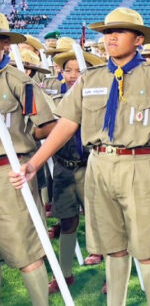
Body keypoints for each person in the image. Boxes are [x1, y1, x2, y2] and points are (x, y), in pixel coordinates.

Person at [10, 7, 150, 306]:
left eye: (119, 31)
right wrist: (35, 163)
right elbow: (67, 123)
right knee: (113, 247)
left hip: (141, 164)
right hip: (100, 164)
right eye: (108, 32)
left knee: (147, 248)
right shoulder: (90, 78)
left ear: (138, 40)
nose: (111, 37)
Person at [0, 13, 57, 306]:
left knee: (25, 246)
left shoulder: (18, 81)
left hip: (9, 172)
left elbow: (47, 123)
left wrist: (22, 140)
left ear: (5, 44)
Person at [47, 49, 106, 293]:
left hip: (90, 165)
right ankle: (64, 274)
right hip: (63, 168)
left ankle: (109, 271)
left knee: (101, 219)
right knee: (67, 220)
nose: (73, 75)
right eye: (68, 70)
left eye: (78, 70)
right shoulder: (56, 100)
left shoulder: (96, 101)